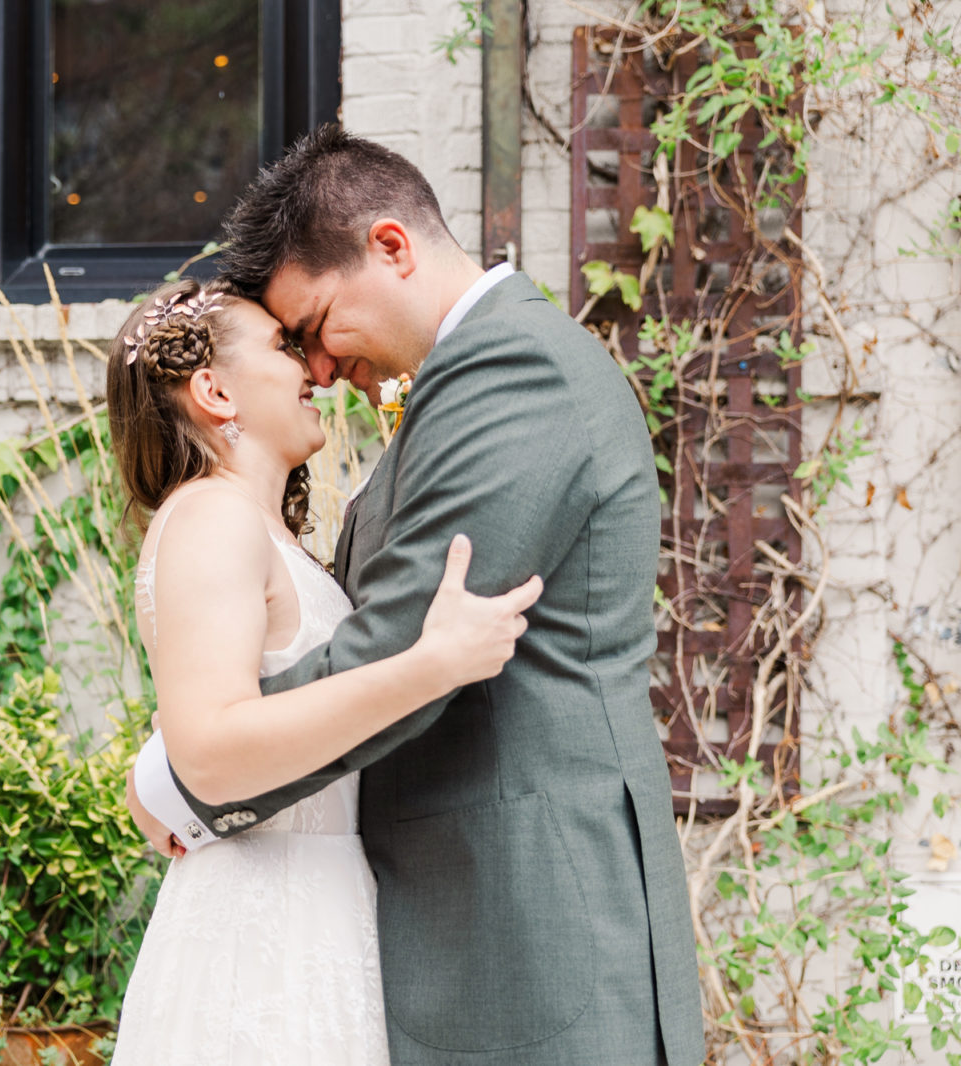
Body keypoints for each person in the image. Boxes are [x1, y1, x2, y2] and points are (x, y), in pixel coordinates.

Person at [128, 125, 705, 1066]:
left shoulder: (513, 371)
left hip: (529, 929)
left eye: (314, 328)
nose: (316, 367)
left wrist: (185, 777)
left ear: (389, 248)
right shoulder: (450, 389)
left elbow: (401, 649)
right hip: (452, 924)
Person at [103, 278, 543, 1065]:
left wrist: (154, 782)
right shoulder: (213, 517)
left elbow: (218, 709)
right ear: (213, 390)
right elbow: (210, 748)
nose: (313, 364)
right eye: (282, 345)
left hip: (321, 909)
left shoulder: (259, 531)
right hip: (262, 936)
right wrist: (431, 666)